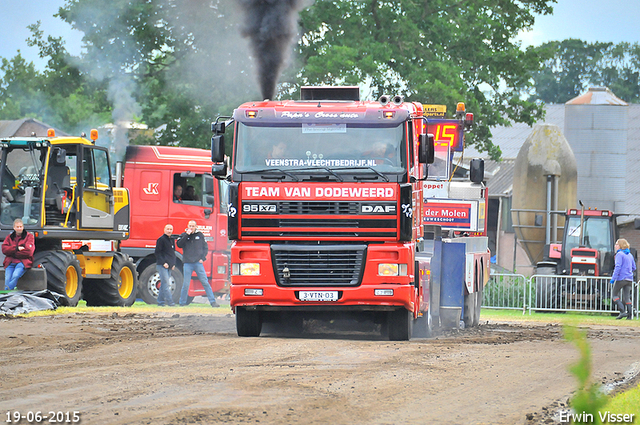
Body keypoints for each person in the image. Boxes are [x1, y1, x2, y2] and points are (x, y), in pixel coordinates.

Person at [177, 220, 219, 307]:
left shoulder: (200, 235)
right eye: (190, 226)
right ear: (187, 226)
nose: (191, 227)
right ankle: (182, 303)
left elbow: (205, 247)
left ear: (196, 227)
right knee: (186, 284)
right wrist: (187, 235)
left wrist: (202, 258)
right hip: (187, 263)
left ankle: (213, 302)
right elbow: (179, 244)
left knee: (205, 282)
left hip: (197, 263)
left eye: (193, 226)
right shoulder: (183, 235)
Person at [2, 218, 35, 290]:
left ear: (23, 227)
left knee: (15, 275)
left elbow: (29, 252)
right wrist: (16, 248)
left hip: (22, 262)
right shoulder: (9, 237)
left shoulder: (29, 236)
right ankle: (7, 295)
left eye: (20, 227)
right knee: (7, 279)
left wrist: (12, 252)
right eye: (17, 227)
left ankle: (7, 292)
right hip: (10, 262)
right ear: (14, 227)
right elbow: (4, 249)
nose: (19, 228)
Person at [610, 238, 635, 320]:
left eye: (617, 244)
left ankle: (622, 311)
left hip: (621, 278)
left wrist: (613, 278)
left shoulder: (619, 254)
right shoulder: (630, 255)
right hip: (629, 279)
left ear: (620, 246)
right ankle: (630, 316)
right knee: (627, 297)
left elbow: (618, 267)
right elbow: (634, 267)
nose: (615, 246)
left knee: (614, 295)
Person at [155, 223, 177, 306]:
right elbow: (157, 253)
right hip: (162, 265)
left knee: (164, 284)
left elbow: (172, 253)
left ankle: (160, 302)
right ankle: (170, 302)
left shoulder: (171, 240)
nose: (169, 231)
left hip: (170, 266)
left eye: (170, 229)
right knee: (166, 283)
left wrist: (173, 264)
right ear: (164, 230)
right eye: (167, 229)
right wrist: (164, 263)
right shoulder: (161, 239)